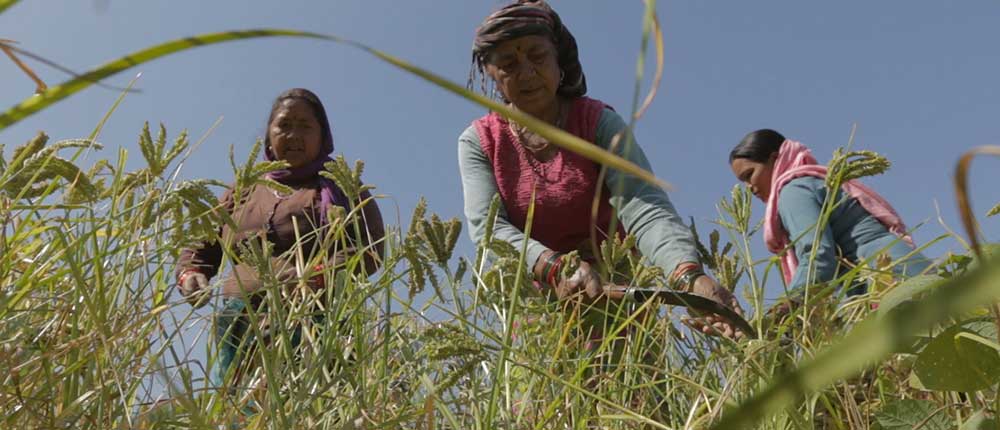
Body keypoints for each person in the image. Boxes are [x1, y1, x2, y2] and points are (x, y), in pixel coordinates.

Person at [458, 0, 743, 339]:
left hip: (619, 294)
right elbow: (489, 230)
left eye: (537, 56)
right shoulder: (480, 142)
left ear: (559, 60)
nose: (527, 73)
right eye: (508, 63)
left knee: (628, 388)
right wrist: (556, 268)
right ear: (490, 75)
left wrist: (688, 276)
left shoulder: (597, 124)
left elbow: (644, 204)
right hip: (539, 304)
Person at [175, 88, 385, 388]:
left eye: (305, 126)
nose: (293, 135)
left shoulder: (343, 186)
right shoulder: (244, 188)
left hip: (312, 324)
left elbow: (370, 248)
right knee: (239, 413)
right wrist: (191, 272)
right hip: (240, 326)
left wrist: (313, 278)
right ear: (269, 135)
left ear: (322, 135)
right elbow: (204, 240)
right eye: (284, 125)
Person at [729, 128, 930, 300]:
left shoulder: (793, 191)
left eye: (749, 175)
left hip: (889, 278)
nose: (749, 187)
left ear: (775, 159)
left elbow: (817, 255)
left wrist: (787, 309)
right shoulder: (812, 182)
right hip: (899, 271)